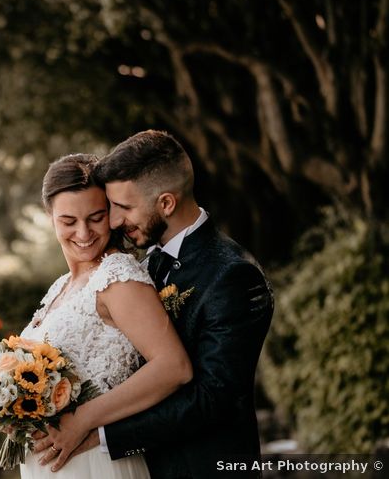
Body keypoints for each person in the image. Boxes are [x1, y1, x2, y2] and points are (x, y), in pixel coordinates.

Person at [32, 130, 274, 478]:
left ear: (166, 203)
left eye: (124, 208)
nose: (114, 221)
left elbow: (213, 398)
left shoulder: (232, 275)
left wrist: (100, 436)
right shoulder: (147, 263)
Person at [18, 153, 192, 479]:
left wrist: (82, 419)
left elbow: (174, 367)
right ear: (49, 216)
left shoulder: (118, 275)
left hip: (94, 466)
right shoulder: (61, 286)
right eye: (69, 221)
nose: (83, 233)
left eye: (96, 218)